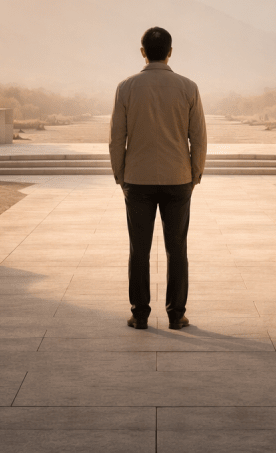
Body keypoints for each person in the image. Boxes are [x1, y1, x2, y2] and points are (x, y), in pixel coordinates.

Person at [109, 26, 207, 330]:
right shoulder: (188, 87)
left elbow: (116, 138)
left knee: (139, 248)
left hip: (137, 180)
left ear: (142, 52)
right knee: (176, 248)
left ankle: (140, 314)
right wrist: (195, 175)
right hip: (178, 178)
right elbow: (199, 138)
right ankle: (176, 314)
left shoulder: (126, 87)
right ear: (170, 52)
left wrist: (120, 176)